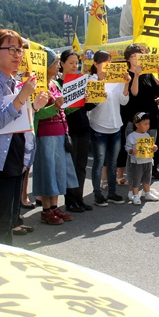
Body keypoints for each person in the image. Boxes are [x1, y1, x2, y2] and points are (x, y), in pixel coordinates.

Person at [0, 29, 49, 243]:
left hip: (15, 156)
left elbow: (16, 117)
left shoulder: (12, 79)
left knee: (9, 218)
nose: (18, 54)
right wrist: (23, 96)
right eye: (11, 49)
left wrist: (34, 107)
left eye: (19, 50)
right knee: (0, 220)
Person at [33, 48, 77, 224]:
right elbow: (37, 113)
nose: (58, 66)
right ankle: (46, 210)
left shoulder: (55, 84)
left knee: (57, 171)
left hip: (60, 131)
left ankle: (54, 207)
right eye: (55, 63)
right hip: (45, 133)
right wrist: (56, 107)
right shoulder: (39, 85)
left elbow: (65, 109)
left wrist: (79, 102)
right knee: (47, 170)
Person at [88, 51, 130, 207]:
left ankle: (112, 192)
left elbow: (124, 101)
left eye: (109, 62)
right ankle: (97, 194)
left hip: (115, 125)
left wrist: (126, 83)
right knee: (99, 162)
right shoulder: (91, 80)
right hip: (99, 126)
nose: (108, 66)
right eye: (104, 62)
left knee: (112, 162)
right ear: (96, 64)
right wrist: (100, 82)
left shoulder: (116, 79)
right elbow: (91, 104)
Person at [123, 44, 159, 189]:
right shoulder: (127, 74)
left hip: (151, 116)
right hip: (135, 117)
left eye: (139, 56)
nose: (137, 58)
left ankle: (146, 185)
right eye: (134, 56)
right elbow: (134, 93)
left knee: (149, 151)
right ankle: (133, 185)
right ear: (129, 59)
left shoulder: (148, 73)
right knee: (134, 153)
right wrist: (136, 74)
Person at [59, 49, 94, 213]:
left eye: (76, 63)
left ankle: (79, 199)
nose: (75, 66)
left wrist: (93, 99)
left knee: (81, 166)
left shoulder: (81, 81)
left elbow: (86, 107)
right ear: (62, 64)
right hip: (68, 129)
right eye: (71, 63)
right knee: (70, 166)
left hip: (83, 127)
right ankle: (70, 200)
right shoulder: (57, 84)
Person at [125, 112, 159, 205]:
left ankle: (147, 193)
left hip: (147, 160)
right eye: (145, 124)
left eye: (148, 124)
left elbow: (150, 147)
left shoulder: (147, 135)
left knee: (147, 178)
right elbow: (127, 147)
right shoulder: (131, 136)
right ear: (137, 124)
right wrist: (131, 150)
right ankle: (135, 195)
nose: (147, 126)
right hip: (137, 161)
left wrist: (154, 148)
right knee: (136, 179)